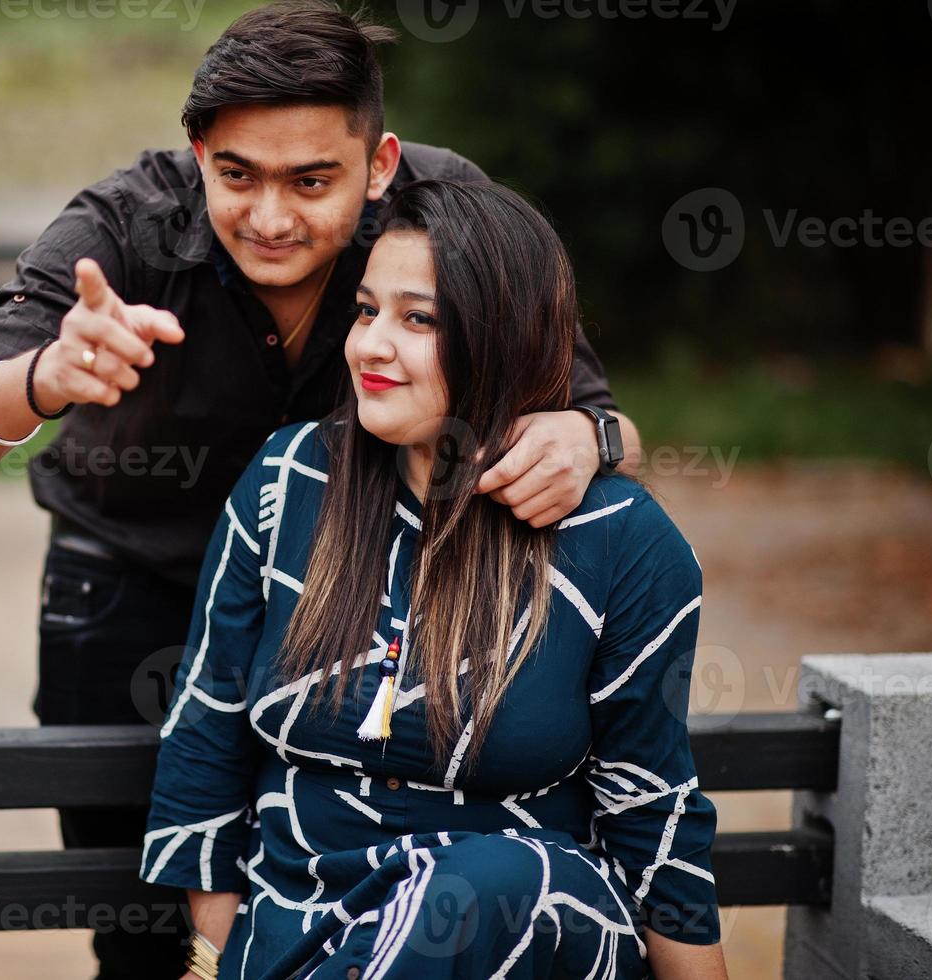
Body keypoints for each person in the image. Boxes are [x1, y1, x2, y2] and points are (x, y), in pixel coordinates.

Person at [0, 4, 644, 975]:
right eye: (237, 175)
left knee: (351, 906)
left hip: (359, 593)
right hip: (134, 592)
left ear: (380, 166)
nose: (272, 216)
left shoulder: (446, 213)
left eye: (312, 180)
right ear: (198, 150)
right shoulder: (124, 223)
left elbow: (611, 426)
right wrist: (44, 374)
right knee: (145, 934)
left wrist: (585, 436)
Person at [142, 178, 728, 980]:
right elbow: (204, 734)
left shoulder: (619, 540)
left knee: (496, 880)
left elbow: (652, 802)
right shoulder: (288, 483)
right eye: (364, 309)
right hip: (303, 938)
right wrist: (214, 957)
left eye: (417, 319)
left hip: (522, 934)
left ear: (504, 335)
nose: (370, 344)